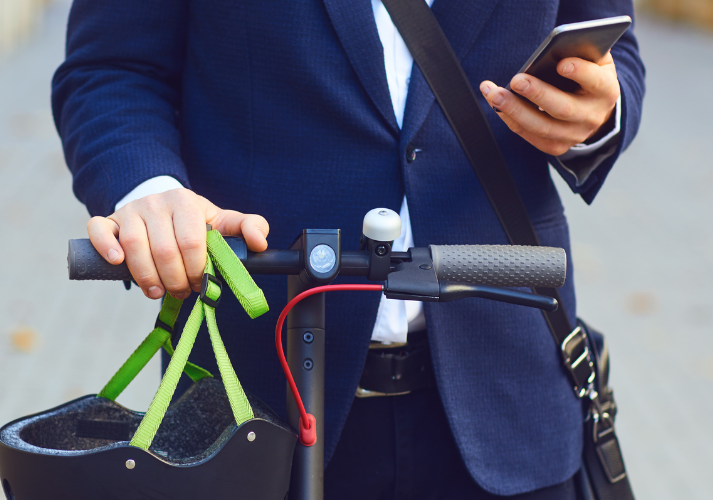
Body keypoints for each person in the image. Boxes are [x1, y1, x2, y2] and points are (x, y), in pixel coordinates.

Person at [52, 0, 644, 497]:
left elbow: (616, 58)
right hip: (257, 393)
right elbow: (111, 67)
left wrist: (598, 114)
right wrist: (148, 189)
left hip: (506, 379)